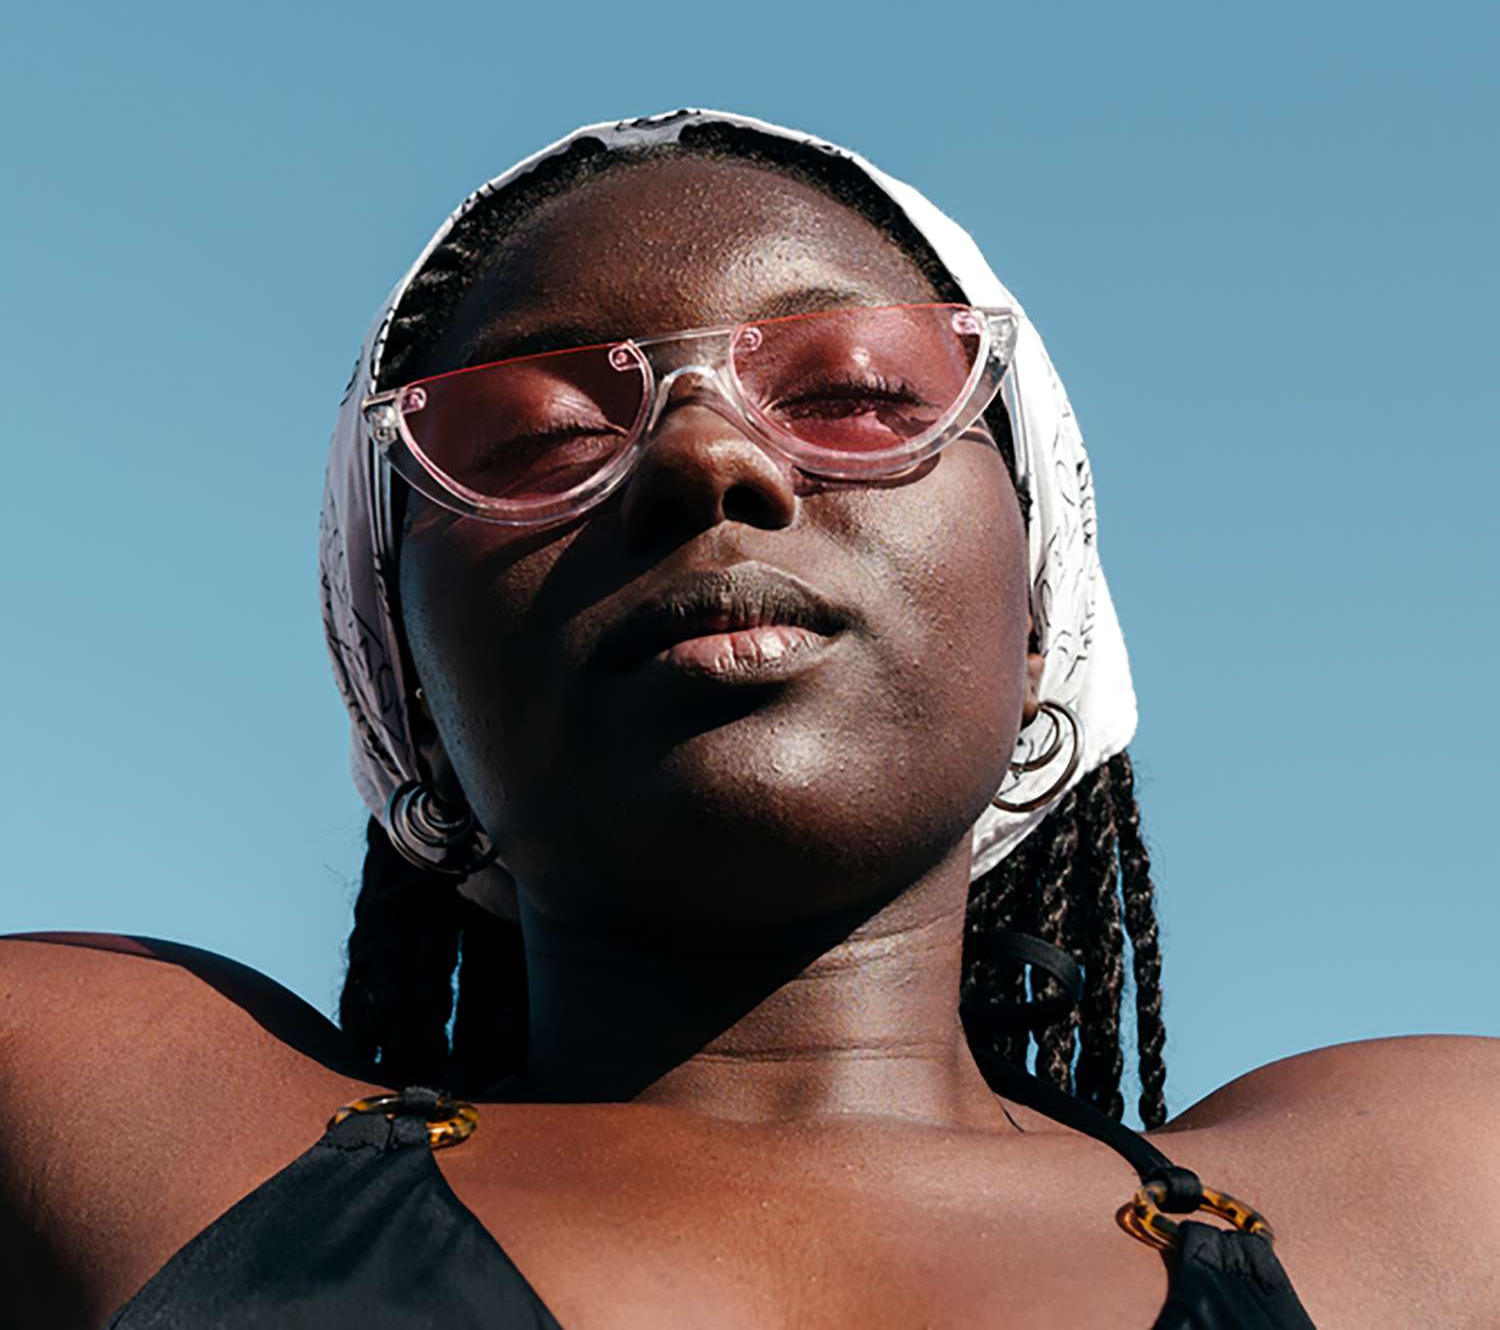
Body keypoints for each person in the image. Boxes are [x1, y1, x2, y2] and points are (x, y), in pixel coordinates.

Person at [3, 109, 1495, 1329]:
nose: (707, 459)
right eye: (536, 430)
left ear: (1045, 605)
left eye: (851, 391)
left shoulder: (1436, 1192)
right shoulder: (109, 1122)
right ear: (402, 685)